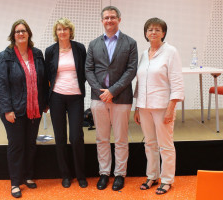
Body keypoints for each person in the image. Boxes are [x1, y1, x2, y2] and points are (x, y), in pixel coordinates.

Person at [85, 6, 138, 191]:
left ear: (119, 19)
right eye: (106, 17)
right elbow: (88, 70)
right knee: (102, 138)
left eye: (113, 17)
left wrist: (112, 91)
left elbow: (131, 70)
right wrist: (101, 92)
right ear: (102, 21)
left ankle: (120, 174)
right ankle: (104, 173)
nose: (109, 20)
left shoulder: (130, 43)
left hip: (121, 98)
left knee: (121, 138)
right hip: (98, 98)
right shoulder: (93, 44)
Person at [0, 19, 48, 198]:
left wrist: (45, 102)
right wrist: (7, 109)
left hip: (34, 110)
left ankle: (28, 176)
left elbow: (43, 81)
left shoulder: (38, 54)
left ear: (28, 33)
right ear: (13, 35)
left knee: (30, 144)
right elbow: (1, 84)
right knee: (16, 146)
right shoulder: (5, 56)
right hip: (14, 110)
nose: (21, 34)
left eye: (23, 30)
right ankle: (15, 182)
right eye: (17, 31)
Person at [133, 17, 184, 195]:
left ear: (163, 33)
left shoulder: (171, 52)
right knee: (149, 143)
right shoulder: (143, 54)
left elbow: (177, 82)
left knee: (166, 144)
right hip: (144, 106)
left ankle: (167, 179)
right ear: (145, 34)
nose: (153, 32)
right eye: (150, 30)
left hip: (163, 106)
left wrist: (171, 107)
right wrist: (137, 107)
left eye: (157, 29)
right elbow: (140, 82)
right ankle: (152, 175)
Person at [45, 18, 87, 188]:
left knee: (76, 137)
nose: (62, 32)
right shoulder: (50, 51)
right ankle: (65, 175)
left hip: (76, 97)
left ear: (70, 31)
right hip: (56, 97)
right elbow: (46, 76)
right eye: (59, 29)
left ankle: (81, 175)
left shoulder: (79, 48)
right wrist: (44, 101)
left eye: (65, 29)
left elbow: (85, 70)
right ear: (56, 32)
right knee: (60, 137)